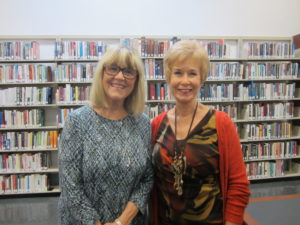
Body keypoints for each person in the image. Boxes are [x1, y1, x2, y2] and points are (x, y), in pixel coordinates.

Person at [150, 40, 250, 225]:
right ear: (169, 77)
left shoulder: (221, 123)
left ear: (202, 78)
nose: (185, 81)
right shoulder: (157, 124)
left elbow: (238, 184)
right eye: (178, 72)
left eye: (192, 73)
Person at [58, 46, 153, 225]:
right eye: (113, 68)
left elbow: (147, 179)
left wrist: (121, 221)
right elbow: (70, 186)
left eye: (128, 71)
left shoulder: (143, 123)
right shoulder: (77, 121)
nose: (119, 77)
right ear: (101, 74)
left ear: (137, 80)